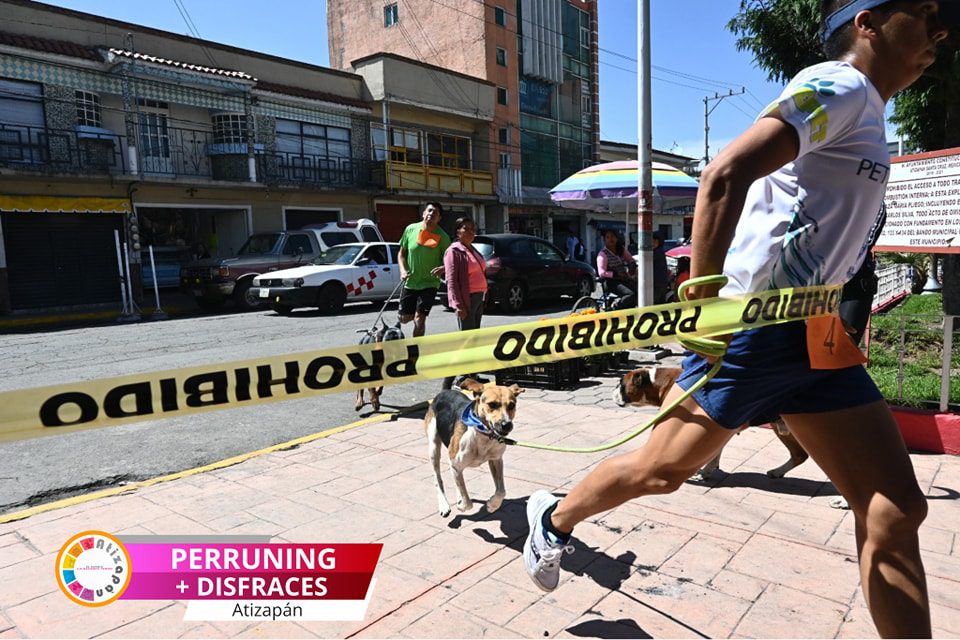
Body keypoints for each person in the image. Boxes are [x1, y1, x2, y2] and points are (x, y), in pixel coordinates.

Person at [522, 2, 951, 636]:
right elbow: (723, 174)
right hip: (754, 331)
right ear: (867, 21)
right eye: (926, 10)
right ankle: (552, 519)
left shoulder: (871, 112)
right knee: (662, 472)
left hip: (816, 337)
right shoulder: (840, 83)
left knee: (895, 508)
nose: (941, 30)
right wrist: (702, 299)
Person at [441, 217, 489, 390]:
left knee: (474, 338)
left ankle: (472, 375)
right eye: (465, 228)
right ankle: (458, 377)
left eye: (472, 229)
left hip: (478, 297)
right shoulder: (454, 251)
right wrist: (457, 304)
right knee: (466, 339)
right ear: (457, 232)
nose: (470, 232)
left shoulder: (472, 249)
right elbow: (451, 280)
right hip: (466, 299)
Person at [398, 202, 451, 337]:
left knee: (420, 320)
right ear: (423, 214)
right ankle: (411, 314)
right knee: (404, 319)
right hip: (411, 282)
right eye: (429, 210)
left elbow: (451, 261)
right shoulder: (411, 229)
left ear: (439, 219)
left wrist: (443, 268)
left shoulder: (443, 237)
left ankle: (415, 350)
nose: (431, 214)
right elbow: (401, 254)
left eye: (436, 213)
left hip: (430, 284)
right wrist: (403, 270)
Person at [596, 229, 637, 309]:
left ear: (617, 238)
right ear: (604, 240)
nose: (611, 239)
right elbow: (601, 273)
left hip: (624, 279)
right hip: (611, 282)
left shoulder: (621, 249)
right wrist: (616, 274)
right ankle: (615, 307)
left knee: (639, 291)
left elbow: (630, 259)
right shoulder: (603, 254)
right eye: (608, 237)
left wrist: (632, 264)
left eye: (612, 236)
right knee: (630, 294)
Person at [652, 230, 670, 304]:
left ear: (656, 241)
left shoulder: (655, 253)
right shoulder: (661, 251)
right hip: (662, 283)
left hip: (656, 284)